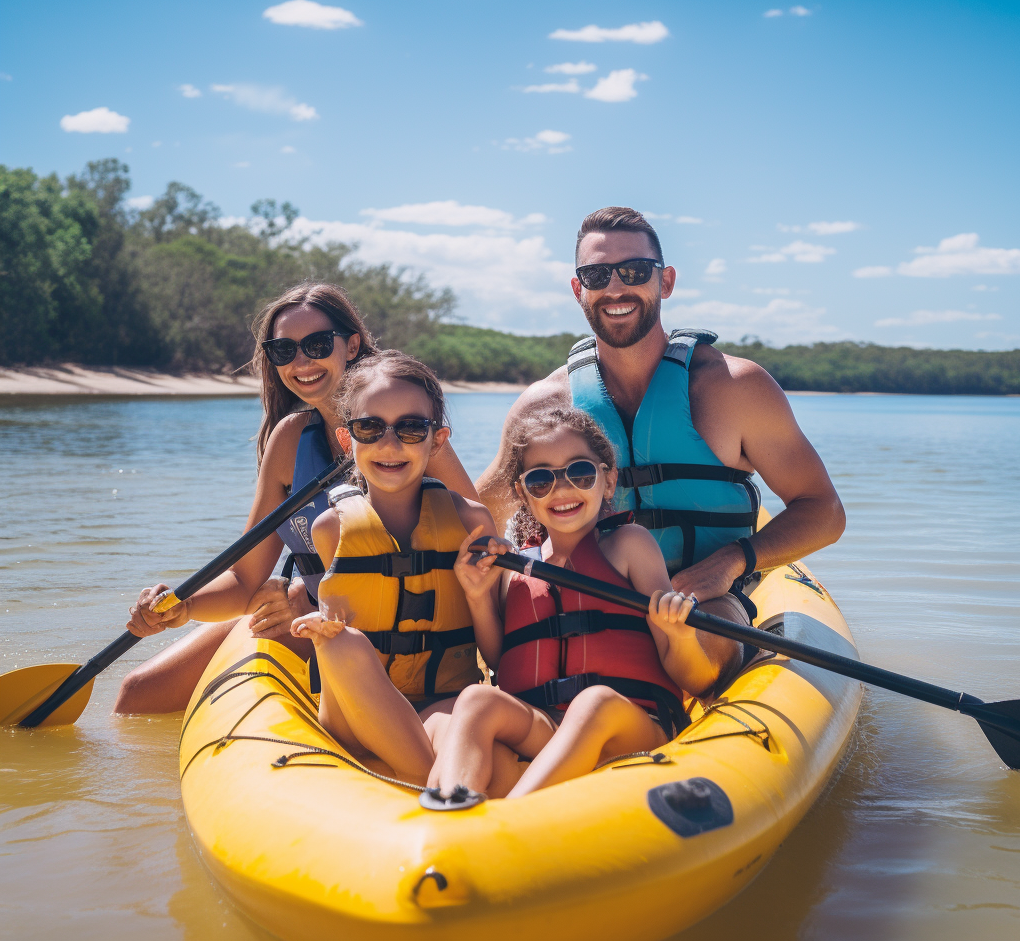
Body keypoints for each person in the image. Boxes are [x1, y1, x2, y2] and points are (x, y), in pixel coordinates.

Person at [477, 206, 846, 687]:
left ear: (665, 281)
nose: (615, 288)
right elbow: (476, 510)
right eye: (596, 274)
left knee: (702, 636)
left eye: (634, 271)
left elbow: (825, 512)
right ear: (577, 290)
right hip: (589, 594)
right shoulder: (545, 405)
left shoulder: (735, 388)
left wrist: (732, 561)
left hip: (706, 600)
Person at [114, 283, 477, 714]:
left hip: (393, 627)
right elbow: (246, 580)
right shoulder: (289, 440)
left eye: (317, 344)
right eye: (284, 350)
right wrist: (182, 606)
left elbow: (475, 546)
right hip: (300, 615)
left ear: (352, 344)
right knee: (137, 694)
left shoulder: (407, 434)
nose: (301, 362)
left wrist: (313, 604)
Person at [425, 405, 709, 804]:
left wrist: (680, 635)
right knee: (477, 699)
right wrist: (477, 597)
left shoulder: (628, 545)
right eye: (540, 479)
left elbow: (692, 677)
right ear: (524, 493)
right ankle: (449, 807)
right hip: (546, 729)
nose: (561, 490)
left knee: (593, 702)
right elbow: (504, 659)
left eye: (579, 473)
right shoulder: (516, 567)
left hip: (630, 727)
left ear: (607, 482)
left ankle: (511, 818)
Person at [289, 351, 503, 784]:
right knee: (342, 644)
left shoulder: (471, 522)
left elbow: (499, 657)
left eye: (410, 428)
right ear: (348, 441)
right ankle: (440, 786)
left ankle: (446, 793)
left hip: (441, 700)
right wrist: (323, 632)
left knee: (463, 713)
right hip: (353, 713)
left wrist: (479, 596)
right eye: (370, 428)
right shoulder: (330, 528)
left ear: (437, 441)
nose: (389, 445)